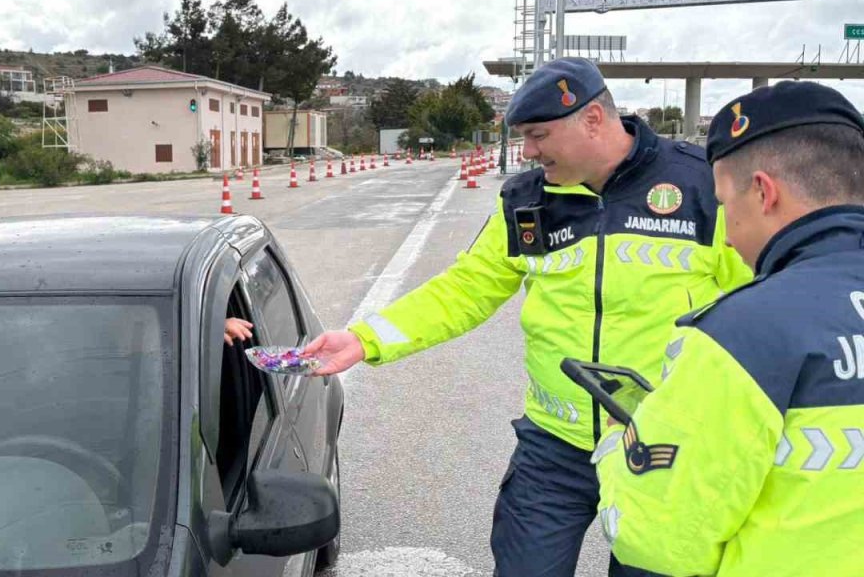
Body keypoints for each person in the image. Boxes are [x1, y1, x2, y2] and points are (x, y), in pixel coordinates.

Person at [303, 57, 751, 577]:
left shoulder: (701, 185)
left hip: (666, 445)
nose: (528, 151)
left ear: (592, 120)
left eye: (538, 135)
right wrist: (365, 338)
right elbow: (467, 287)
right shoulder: (527, 202)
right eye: (523, 137)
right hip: (554, 449)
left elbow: (760, 304)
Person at [593, 82, 864, 576]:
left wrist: (617, 444)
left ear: (763, 191)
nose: (726, 228)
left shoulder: (740, 335)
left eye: (722, 202)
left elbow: (657, 539)